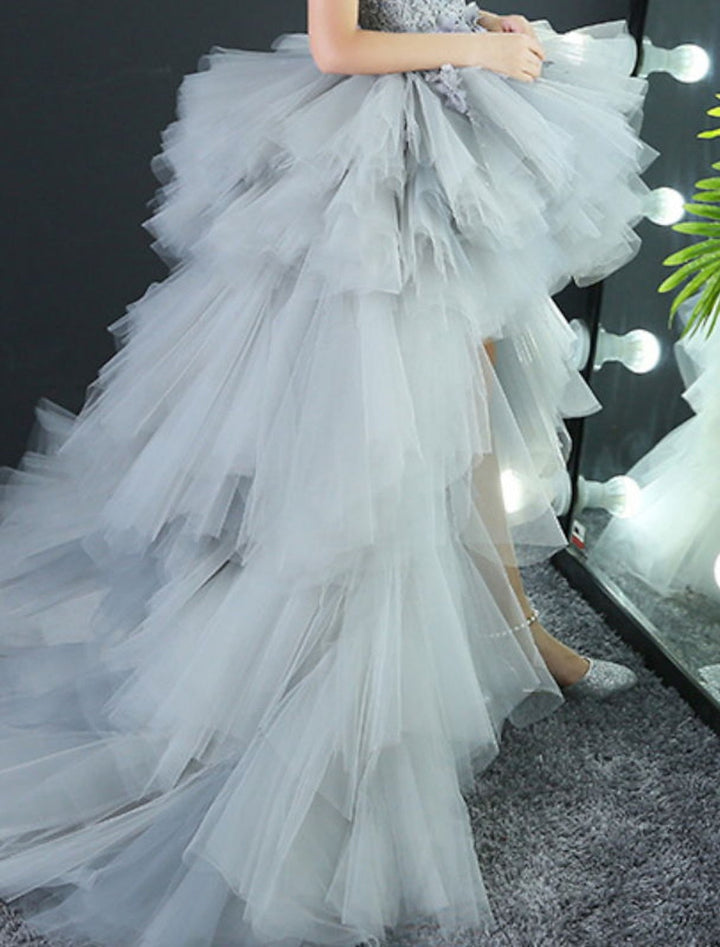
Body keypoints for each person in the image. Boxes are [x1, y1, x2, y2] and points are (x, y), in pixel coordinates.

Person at [0, 1, 656, 944]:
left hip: (450, 133)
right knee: (381, 424)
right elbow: (337, 41)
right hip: (365, 161)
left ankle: (519, 632)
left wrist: (482, 18)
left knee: (469, 390)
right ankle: (328, 702)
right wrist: (475, 46)